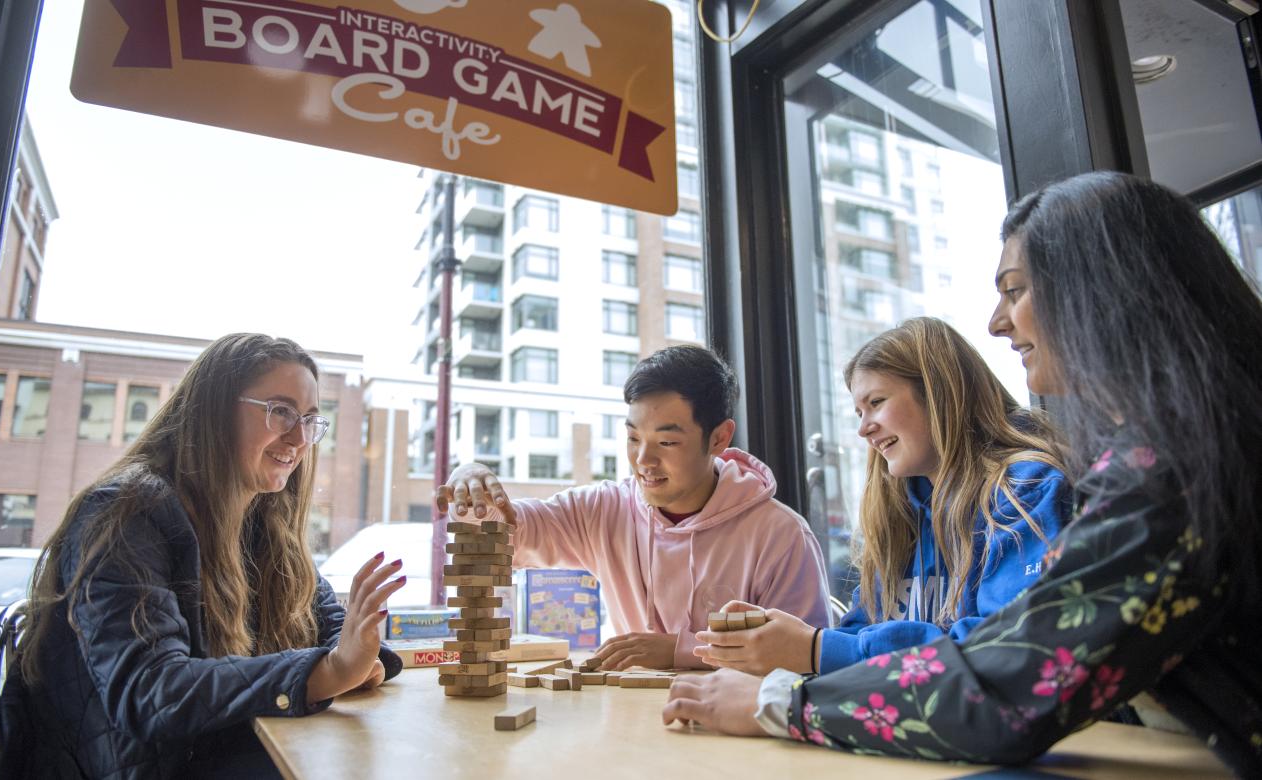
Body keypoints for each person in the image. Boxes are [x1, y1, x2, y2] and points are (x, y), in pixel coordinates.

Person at [661, 172, 1262, 777]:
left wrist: (785, 696)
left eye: (1015, 290)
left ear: (1101, 290)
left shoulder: (1159, 468)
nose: (999, 322)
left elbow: (1014, 675)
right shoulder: (1199, 440)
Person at [0, 334, 405, 779]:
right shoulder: (125, 514)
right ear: (215, 413)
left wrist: (363, 662)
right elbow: (151, 692)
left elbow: (332, 631)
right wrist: (332, 670)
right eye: (281, 411)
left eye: (309, 419)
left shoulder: (261, 523)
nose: (299, 438)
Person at [692, 317, 1070, 677]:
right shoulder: (898, 514)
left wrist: (816, 649)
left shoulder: (1025, 490)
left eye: (876, 403)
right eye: (858, 411)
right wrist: (780, 641)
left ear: (938, 394)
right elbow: (861, 629)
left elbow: (1007, 649)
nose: (863, 429)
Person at [435, 344, 832, 670]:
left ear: (718, 438)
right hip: (628, 730)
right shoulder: (606, 509)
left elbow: (805, 661)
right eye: (632, 438)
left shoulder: (781, 535)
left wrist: (679, 649)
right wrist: (473, 488)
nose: (644, 460)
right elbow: (512, 533)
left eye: (667, 442)